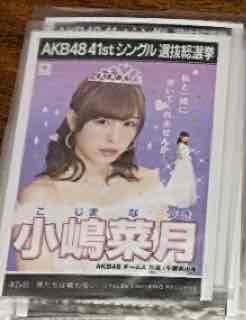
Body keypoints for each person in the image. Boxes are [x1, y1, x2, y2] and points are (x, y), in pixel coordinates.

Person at [13, 63, 169, 272]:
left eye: (128, 124)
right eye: (102, 121)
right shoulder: (41, 196)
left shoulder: (147, 184)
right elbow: (34, 282)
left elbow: (166, 269)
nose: (115, 138)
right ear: (73, 120)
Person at [165, 131, 198, 209]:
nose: (187, 138)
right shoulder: (180, 145)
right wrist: (185, 157)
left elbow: (184, 154)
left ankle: (185, 199)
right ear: (181, 137)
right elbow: (180, 155)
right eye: (185, 137)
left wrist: (188, 157)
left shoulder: (185, 145)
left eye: (187, 137)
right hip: (183, 164)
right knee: (180, 180)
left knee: (186, 180)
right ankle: (178, 199)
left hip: (187, 164)